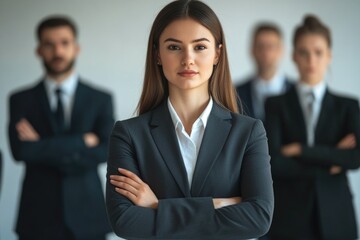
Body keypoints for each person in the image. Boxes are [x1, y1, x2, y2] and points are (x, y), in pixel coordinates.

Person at [106, 1, 274, 239]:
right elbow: (125, 222)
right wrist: (222, 204)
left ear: (217, 53)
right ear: (157, 55)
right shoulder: (129, 134)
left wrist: (158, 207)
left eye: (200, 47)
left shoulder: (249, 132)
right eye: (174, 47)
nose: (188, 59)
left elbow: (259, 219)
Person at [8, 16, 114, 240]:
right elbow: (21, 152)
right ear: (39, 50)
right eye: (49, 44)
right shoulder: (20, 99)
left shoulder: (101, 99)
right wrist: (82, 142)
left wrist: (42, 147)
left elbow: (106, 151)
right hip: (37, 218)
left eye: (64, 43)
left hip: (89, 216)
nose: (58, 51)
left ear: (76, 48)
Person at [265, 15, 360, 240]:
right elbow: (275, 163)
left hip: (337, 213)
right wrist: (331, 161)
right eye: (304, 52)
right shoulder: (276, 105)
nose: (311, 60)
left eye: (318, 52)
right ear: (294, 56)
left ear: (329, 55)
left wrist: (301, 150)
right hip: (288, 216)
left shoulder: (347, 106)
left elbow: (355, 158)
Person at [236, 23, 293, 121]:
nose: (265, 52)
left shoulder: (296, 92)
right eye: (260, 46)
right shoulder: (235, 94)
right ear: (252, 50)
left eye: (270, 47)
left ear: (281, 50)